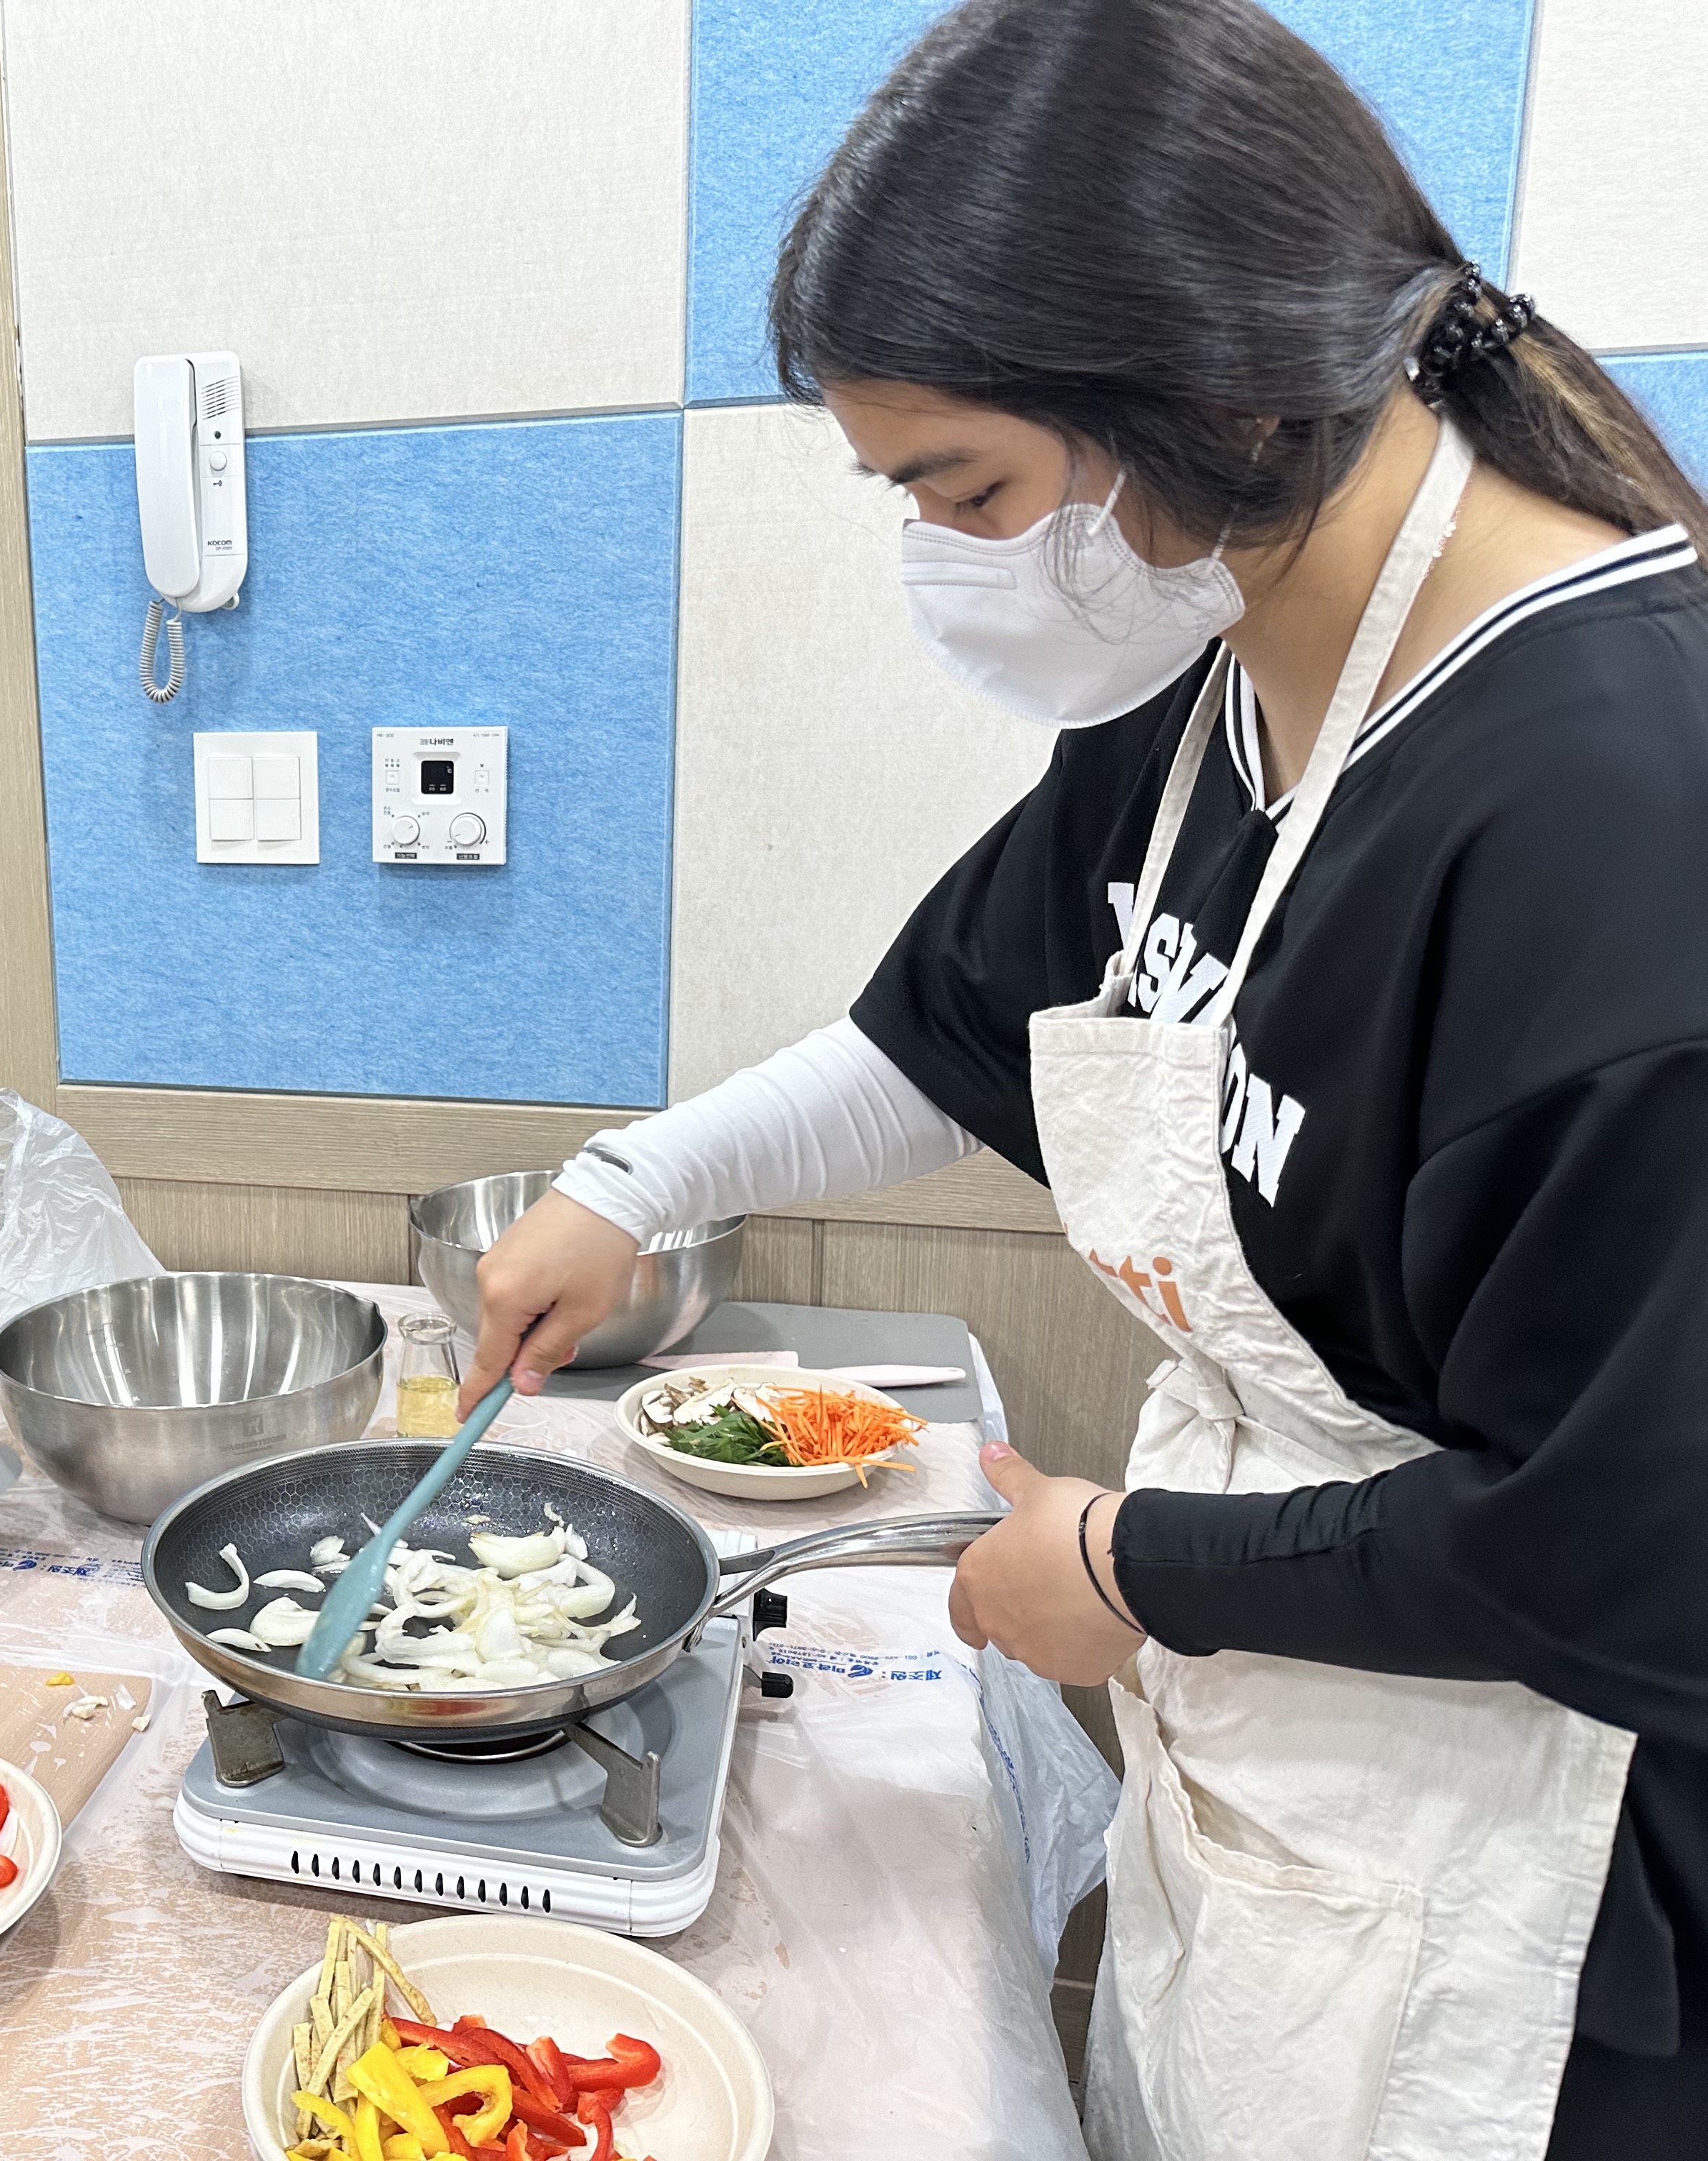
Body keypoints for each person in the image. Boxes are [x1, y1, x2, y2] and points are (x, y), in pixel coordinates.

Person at [462, 2, 1708, 2152]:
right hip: (1279, 1769)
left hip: (1546, 1890)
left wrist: (1134, 1571)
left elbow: (1634, 1551)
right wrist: (632, 1185)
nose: (949, 559)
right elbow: (954, 1039)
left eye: (969, 487)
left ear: (1220, 391)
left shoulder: (1614, 819)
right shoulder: (1213, 680)